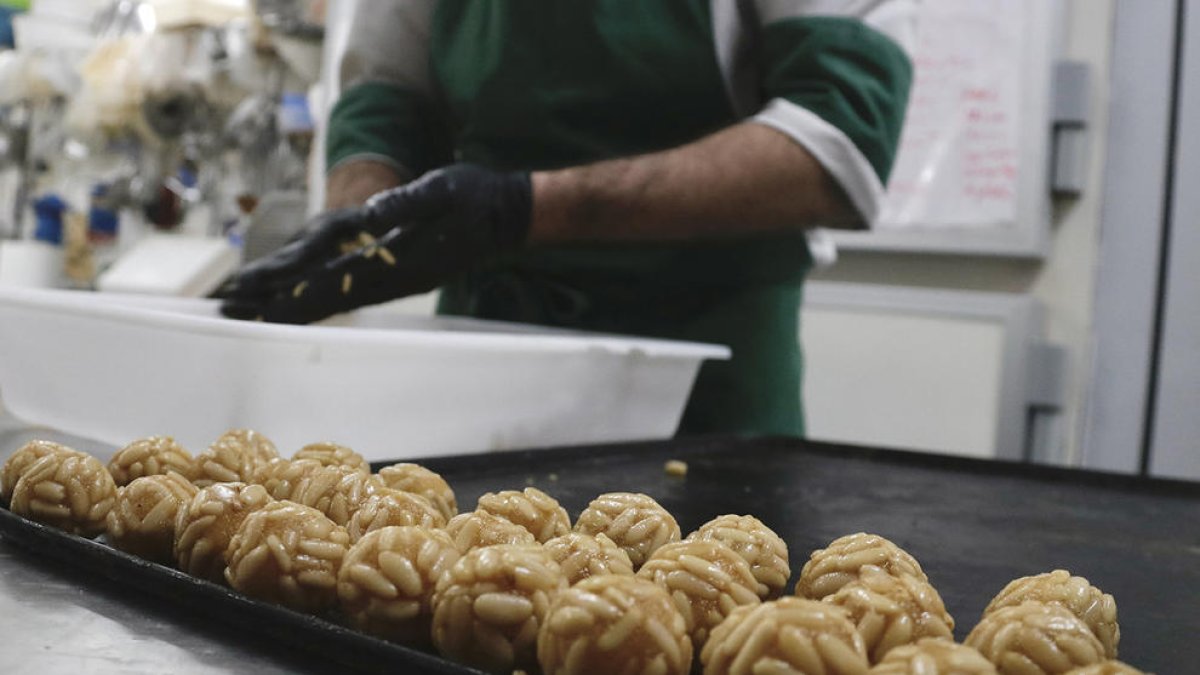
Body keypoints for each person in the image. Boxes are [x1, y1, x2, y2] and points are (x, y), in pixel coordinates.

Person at [221, 1, 916, 437]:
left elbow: (841, 135)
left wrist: (523, 208)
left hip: (706, 390)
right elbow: (387, 94)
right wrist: (361, 222)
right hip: (480, 366)